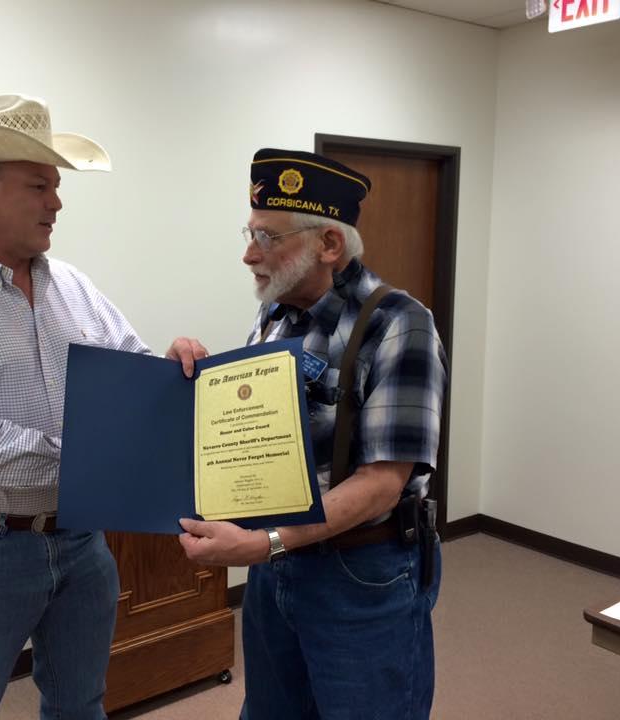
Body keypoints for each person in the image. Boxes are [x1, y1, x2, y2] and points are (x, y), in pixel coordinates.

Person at [0, 94, 204, 720]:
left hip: (82, 541)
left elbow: (131, 381)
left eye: (56, 186)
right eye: (40, 185)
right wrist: (93, 460)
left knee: (80, 705)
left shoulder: (74, 287)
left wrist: (176, 376)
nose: (57, 202)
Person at [178, 148, 447, 719]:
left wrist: (265, 542)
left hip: (360, 575)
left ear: (329, 244)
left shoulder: (401, 326)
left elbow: (381, 484)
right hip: (276, 571)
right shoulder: (275, 317)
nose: (250, 254)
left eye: (270, 238)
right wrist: (185, 376)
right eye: (249, 233)